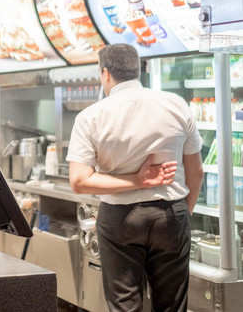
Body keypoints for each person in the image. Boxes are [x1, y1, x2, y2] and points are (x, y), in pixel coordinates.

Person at [67, 44, 203, 312]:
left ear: (105, 74)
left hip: (120, 218)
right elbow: (196, 171)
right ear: (137, 69)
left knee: (124, 305)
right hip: (171, 214)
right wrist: (183, 210)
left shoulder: (91, 116)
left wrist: (136, 182)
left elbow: (79, 181)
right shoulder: (175, 105)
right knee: (173, 305)